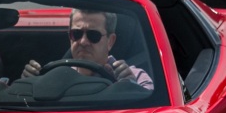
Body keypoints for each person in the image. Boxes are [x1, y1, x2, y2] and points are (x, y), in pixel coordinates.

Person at [21, 8, 153, 89]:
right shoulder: (52, 77)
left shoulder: (136, 77)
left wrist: (130, 87)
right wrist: (27, 85)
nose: (83, 41)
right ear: (70, 37)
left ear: (110, 41)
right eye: (76, 34)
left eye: (93, 35)